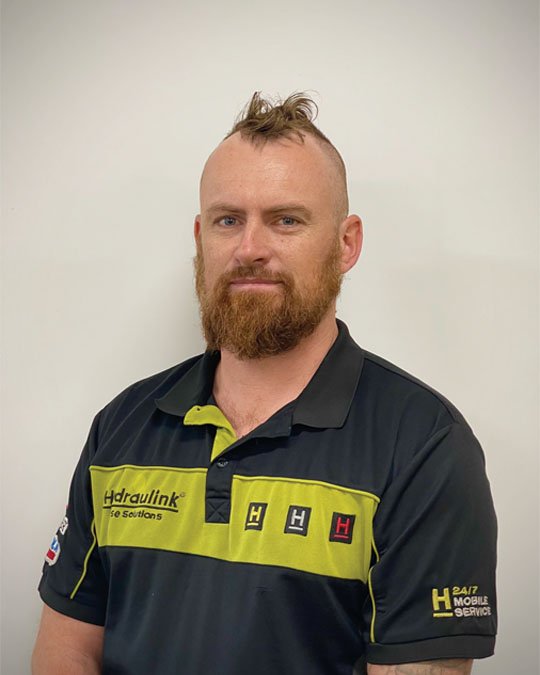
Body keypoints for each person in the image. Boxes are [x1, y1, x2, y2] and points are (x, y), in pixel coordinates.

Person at [32, 93, 497, 675]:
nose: (250, 249)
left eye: (286, 220)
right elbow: (67, 650)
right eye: (228, 220)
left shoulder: (424, 446)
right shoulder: (121, 426)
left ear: (346, 244)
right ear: (200, 238)